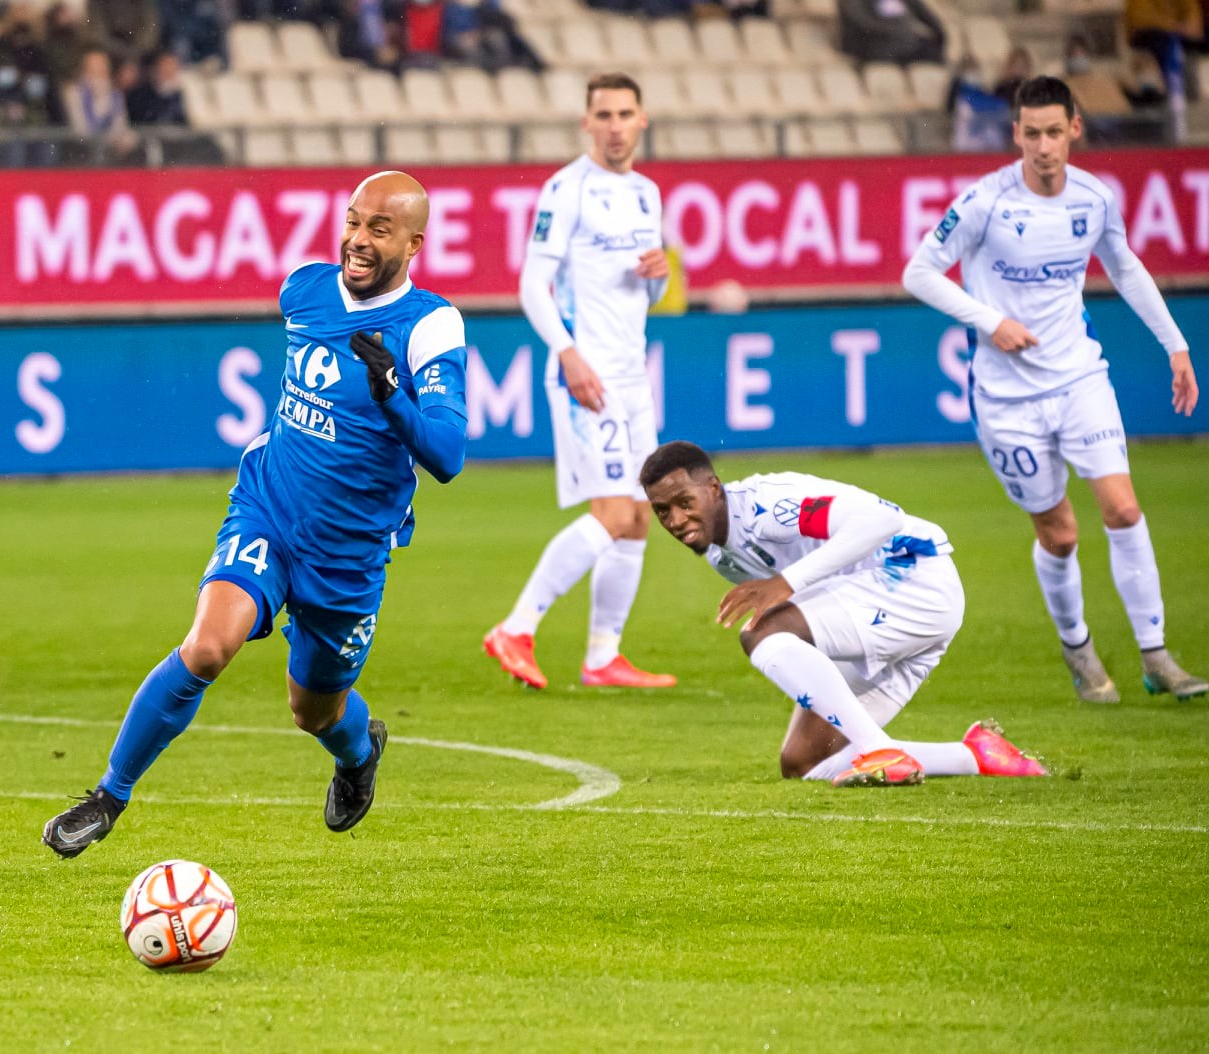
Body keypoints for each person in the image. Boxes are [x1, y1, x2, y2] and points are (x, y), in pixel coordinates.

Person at [41, 170, 469, 858]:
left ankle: (358, 754)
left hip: (348, 553)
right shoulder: (303, 289)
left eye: (379, 229)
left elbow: (448, 454)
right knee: (208, 647)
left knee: (314, 710)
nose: (358, 239)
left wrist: (392, 395)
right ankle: (108, 797)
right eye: (352, 221)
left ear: (414, 244)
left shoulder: (430, 325)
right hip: (269, 509)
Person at [902, 76, 1203, 703]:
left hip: (1078, 377)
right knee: (1060, 533)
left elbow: (1125, 268)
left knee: (1124, 509)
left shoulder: (1094, 199)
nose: (1043, 147)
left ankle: (1157, 656)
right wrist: (991, 322)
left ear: (1075, 130)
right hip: (1007, 398)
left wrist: (1176, 345)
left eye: (1054, 133)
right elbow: (918, 272)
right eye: (1032, 134)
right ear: (1016, 135)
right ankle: (1078, 648)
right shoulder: (985, 203)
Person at [639, 442, 1047, 787]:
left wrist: (786, 583)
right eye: (662, 511)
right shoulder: (722, 557)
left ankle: (879, 750)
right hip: (876, 613)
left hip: (913, 580)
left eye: (685, 503)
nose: (676, 520)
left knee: (760, 631)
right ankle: (976, 755)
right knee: (803, 763)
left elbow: (883, 519)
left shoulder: (768, 508)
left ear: (713, 488)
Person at [484, 72, 676, 692]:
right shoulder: (566, 189)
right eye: (604, 115)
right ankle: (516, 628)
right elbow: (531, 284)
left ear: (642, 119)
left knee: (640, 514)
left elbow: (648, 293)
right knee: (614, 511)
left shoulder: (647, 194)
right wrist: (567, 355)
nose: (615, 126)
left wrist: (658, 274)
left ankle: (602, 657)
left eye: (625, 114)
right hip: (586, 374)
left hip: (631, 375)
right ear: (586, 122)